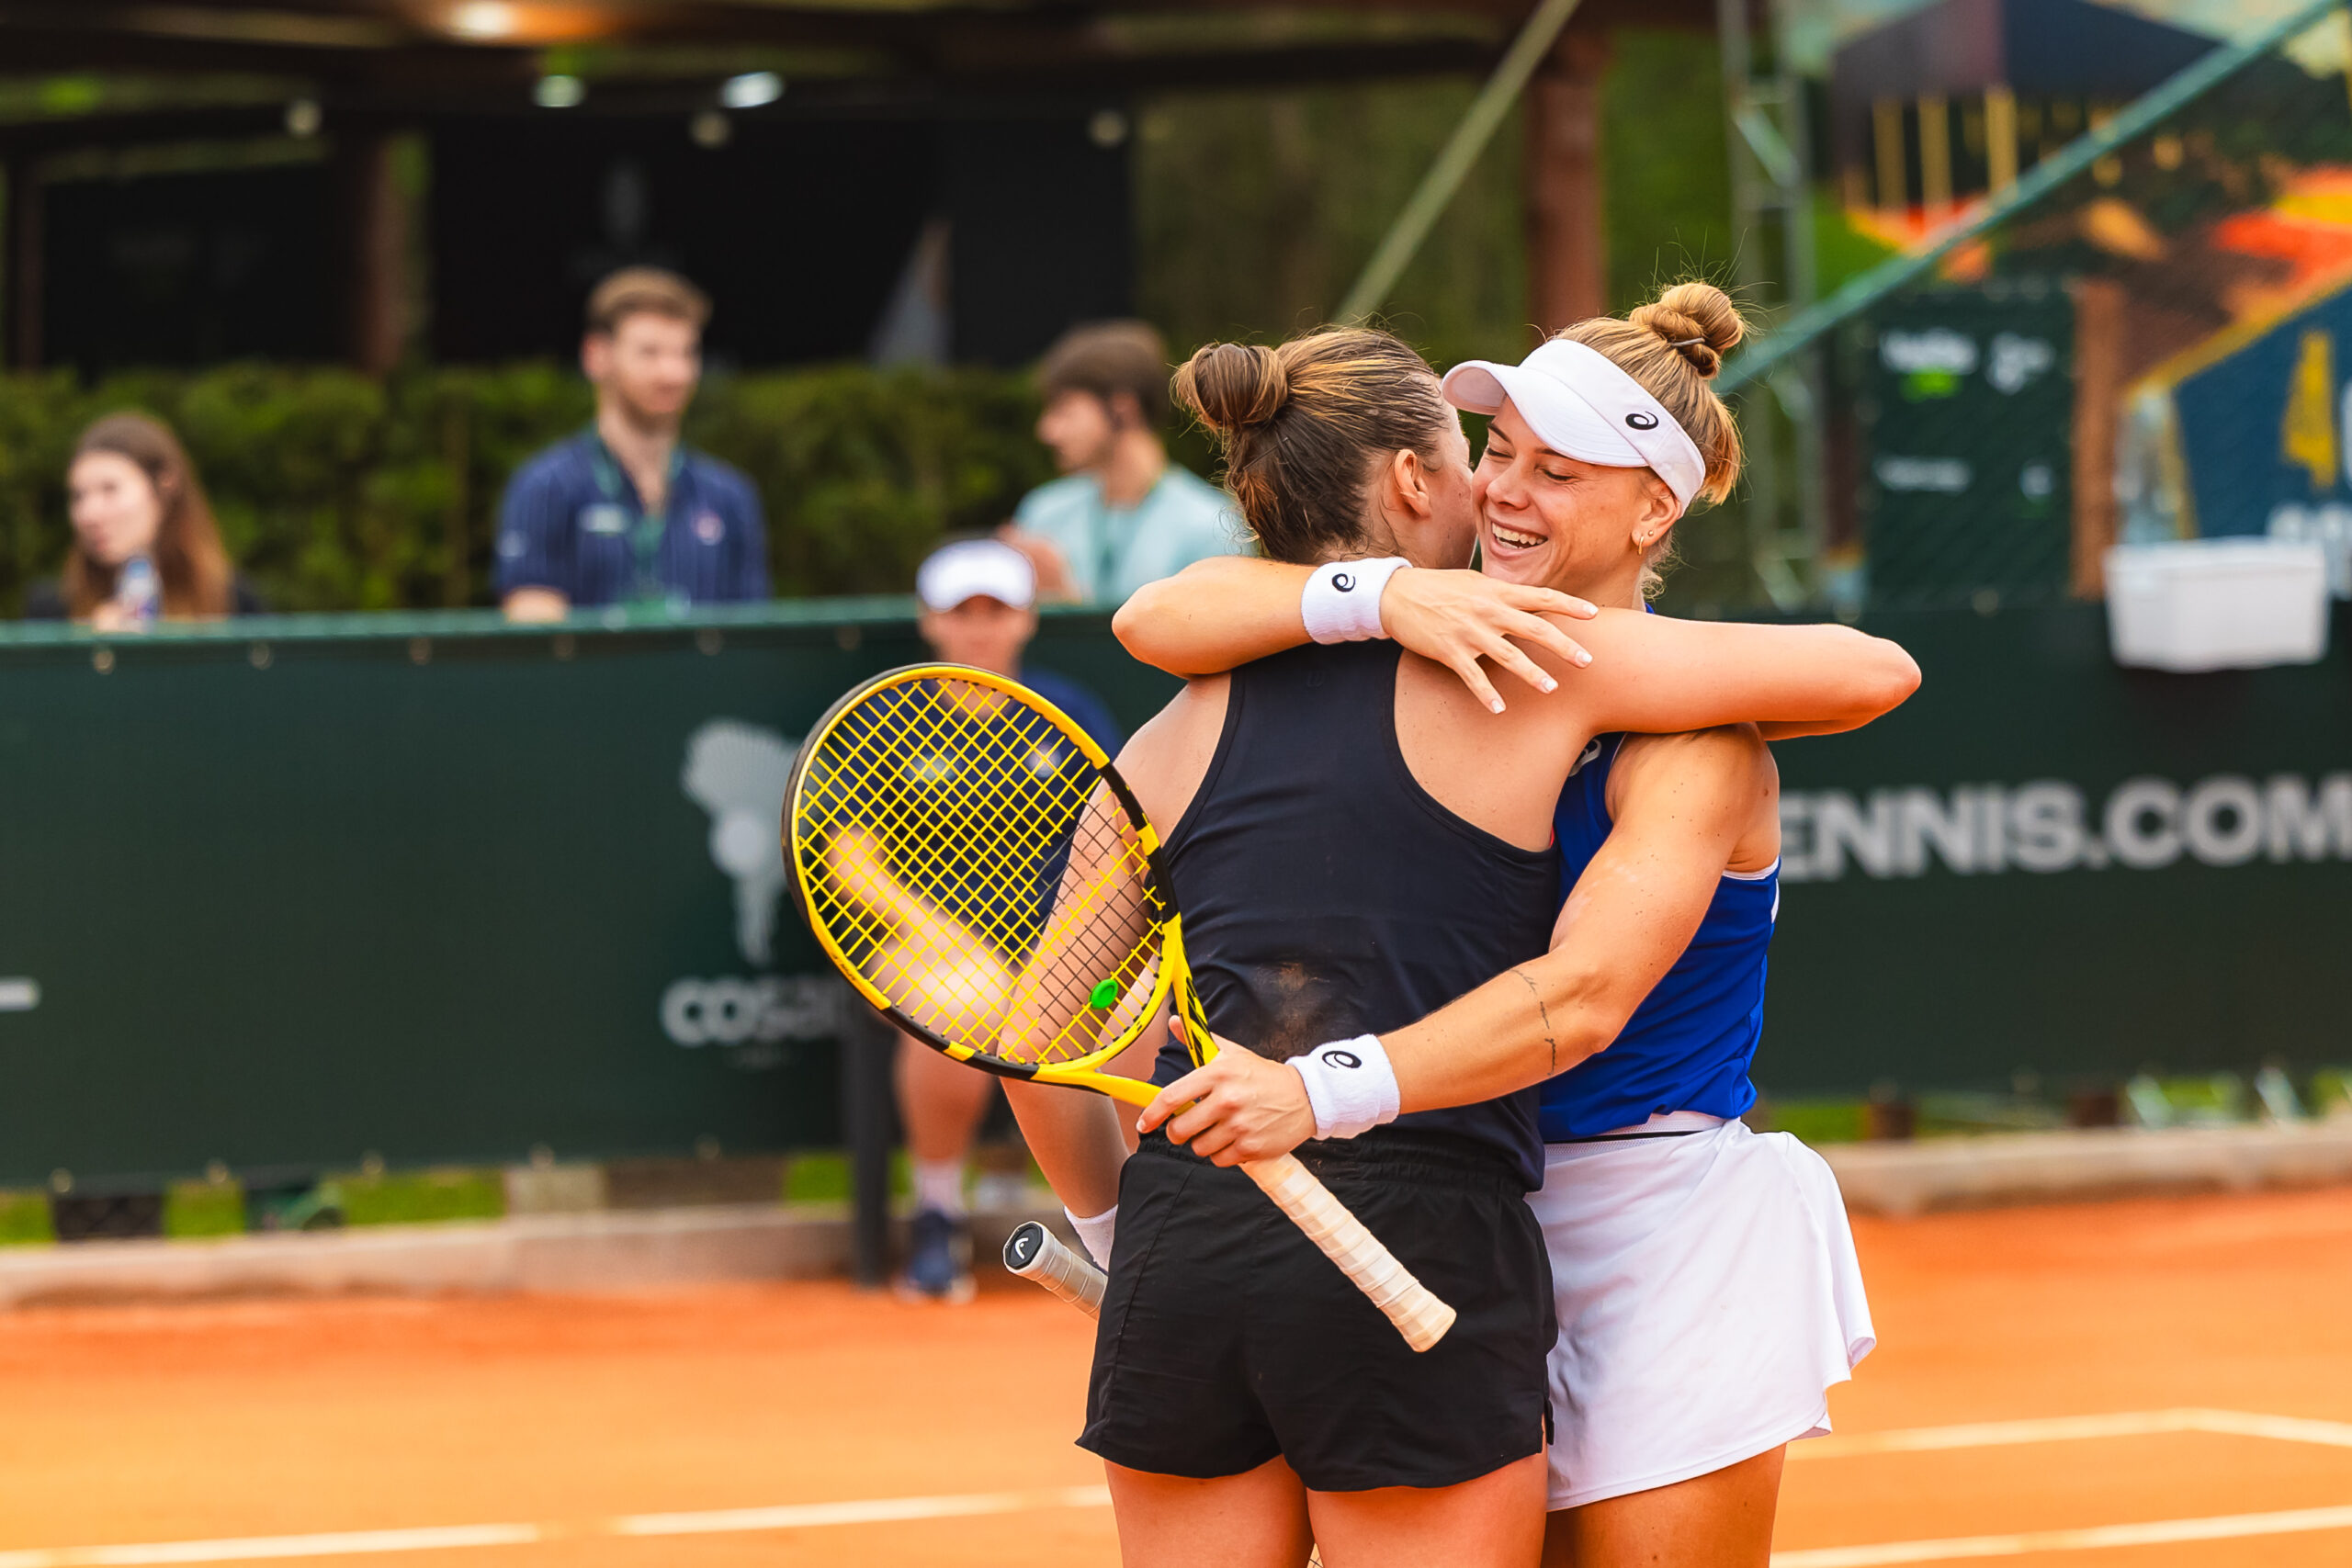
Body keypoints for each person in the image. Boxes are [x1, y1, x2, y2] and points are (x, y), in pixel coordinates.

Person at [996, 323, 1917, 1568]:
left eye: (1559, 468)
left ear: (1655, 510)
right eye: (1496, 450)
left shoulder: (1687, 727)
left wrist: (1277, 1117)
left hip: (1643, 1234)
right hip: (1440, 1195)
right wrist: (1385, 591)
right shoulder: (1372, 648)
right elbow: (1160, 611)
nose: (1506, 488)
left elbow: (1589, 989)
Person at [893, 536, 1123, 1302]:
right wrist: (950, 939)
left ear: (1027, 619)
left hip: (1072, 960)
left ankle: (1123, 1233)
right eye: (964, 612)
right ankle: (936, 1210)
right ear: (933, 623)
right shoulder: (891, 721)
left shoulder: (1070, 713)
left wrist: (1074, 948)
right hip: (927, 949)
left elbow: (1120, 842)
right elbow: (850, 860)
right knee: (961, 1008)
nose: (981, 628)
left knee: (1126, 1016)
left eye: (998, 610)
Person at [494, 268, 768, 620]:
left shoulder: (731, 496)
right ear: (596, 356)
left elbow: (751, 641)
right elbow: (535, 640)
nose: (674, 373)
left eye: (686, 353)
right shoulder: (544, 487)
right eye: (650, 352)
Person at [994, 321, 1242, 605]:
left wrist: (1064, 600)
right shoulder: (1044, 512)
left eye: (1064, 410)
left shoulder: (1213, 527)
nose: (1046, 430)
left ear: (1123, 408)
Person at [26, 412, 263, 626]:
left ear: (164, 484)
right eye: (79, 496)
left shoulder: (234, 601)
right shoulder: (53, 608)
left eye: (110, 489)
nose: (88, 514)